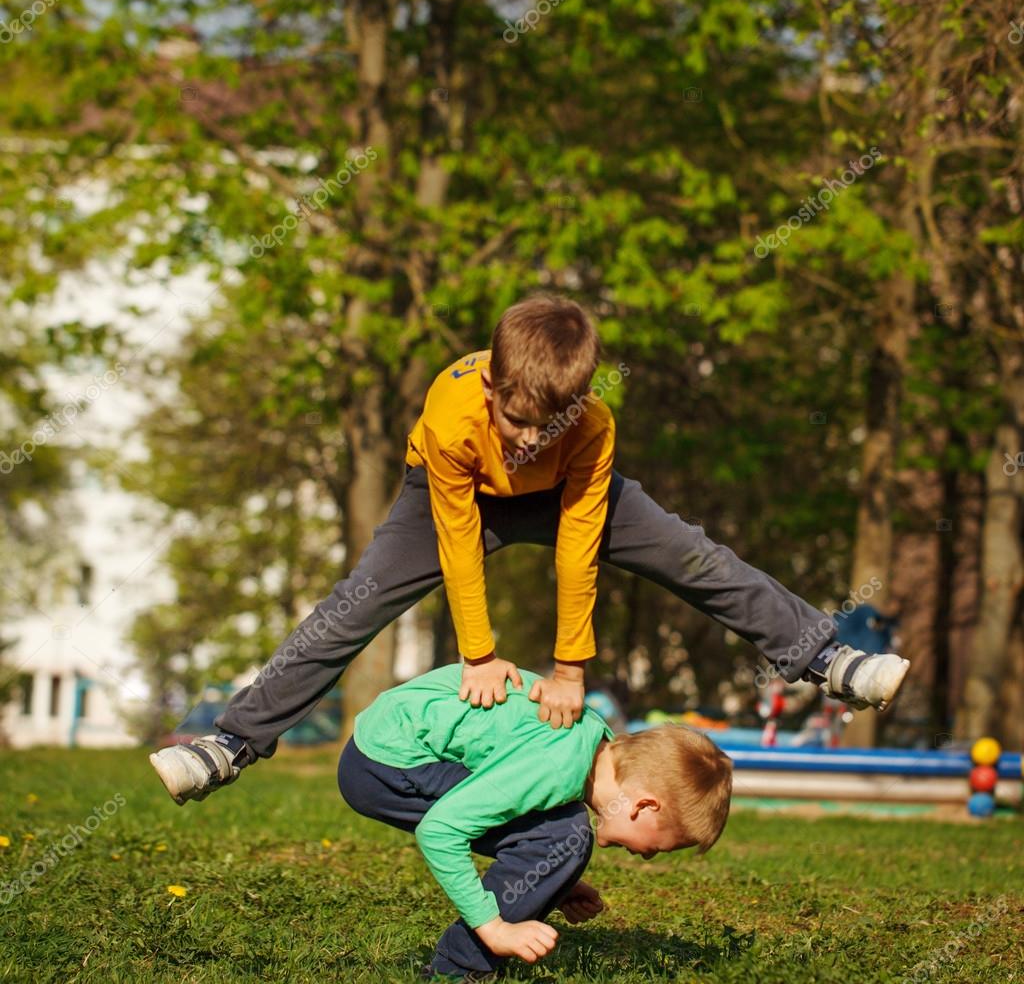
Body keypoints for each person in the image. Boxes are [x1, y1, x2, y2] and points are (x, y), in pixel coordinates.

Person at [149, 291, 909, 805]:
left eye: (547, 427)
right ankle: (232, 742)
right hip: (452, 495)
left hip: (563, 498)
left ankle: (824, 657)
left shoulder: (591, 430)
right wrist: (478, 654)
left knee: (691, 552)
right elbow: (456, 544)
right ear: (492, 390)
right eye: (515, 420)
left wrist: (569, 665)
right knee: (356, 602)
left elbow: (577, 547)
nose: (526, 439)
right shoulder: (454, 417)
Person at [336, 662, 733, 981]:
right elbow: (440, 831)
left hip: (385, 744)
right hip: (385, 764)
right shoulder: (555, 766)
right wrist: (494, 928)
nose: (647, 857)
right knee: (566, 833)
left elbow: (521, 802)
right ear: (644, 806)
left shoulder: (591, 740)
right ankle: (457, 970)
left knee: (564, 834)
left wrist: (556, 880)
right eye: (658, 847)